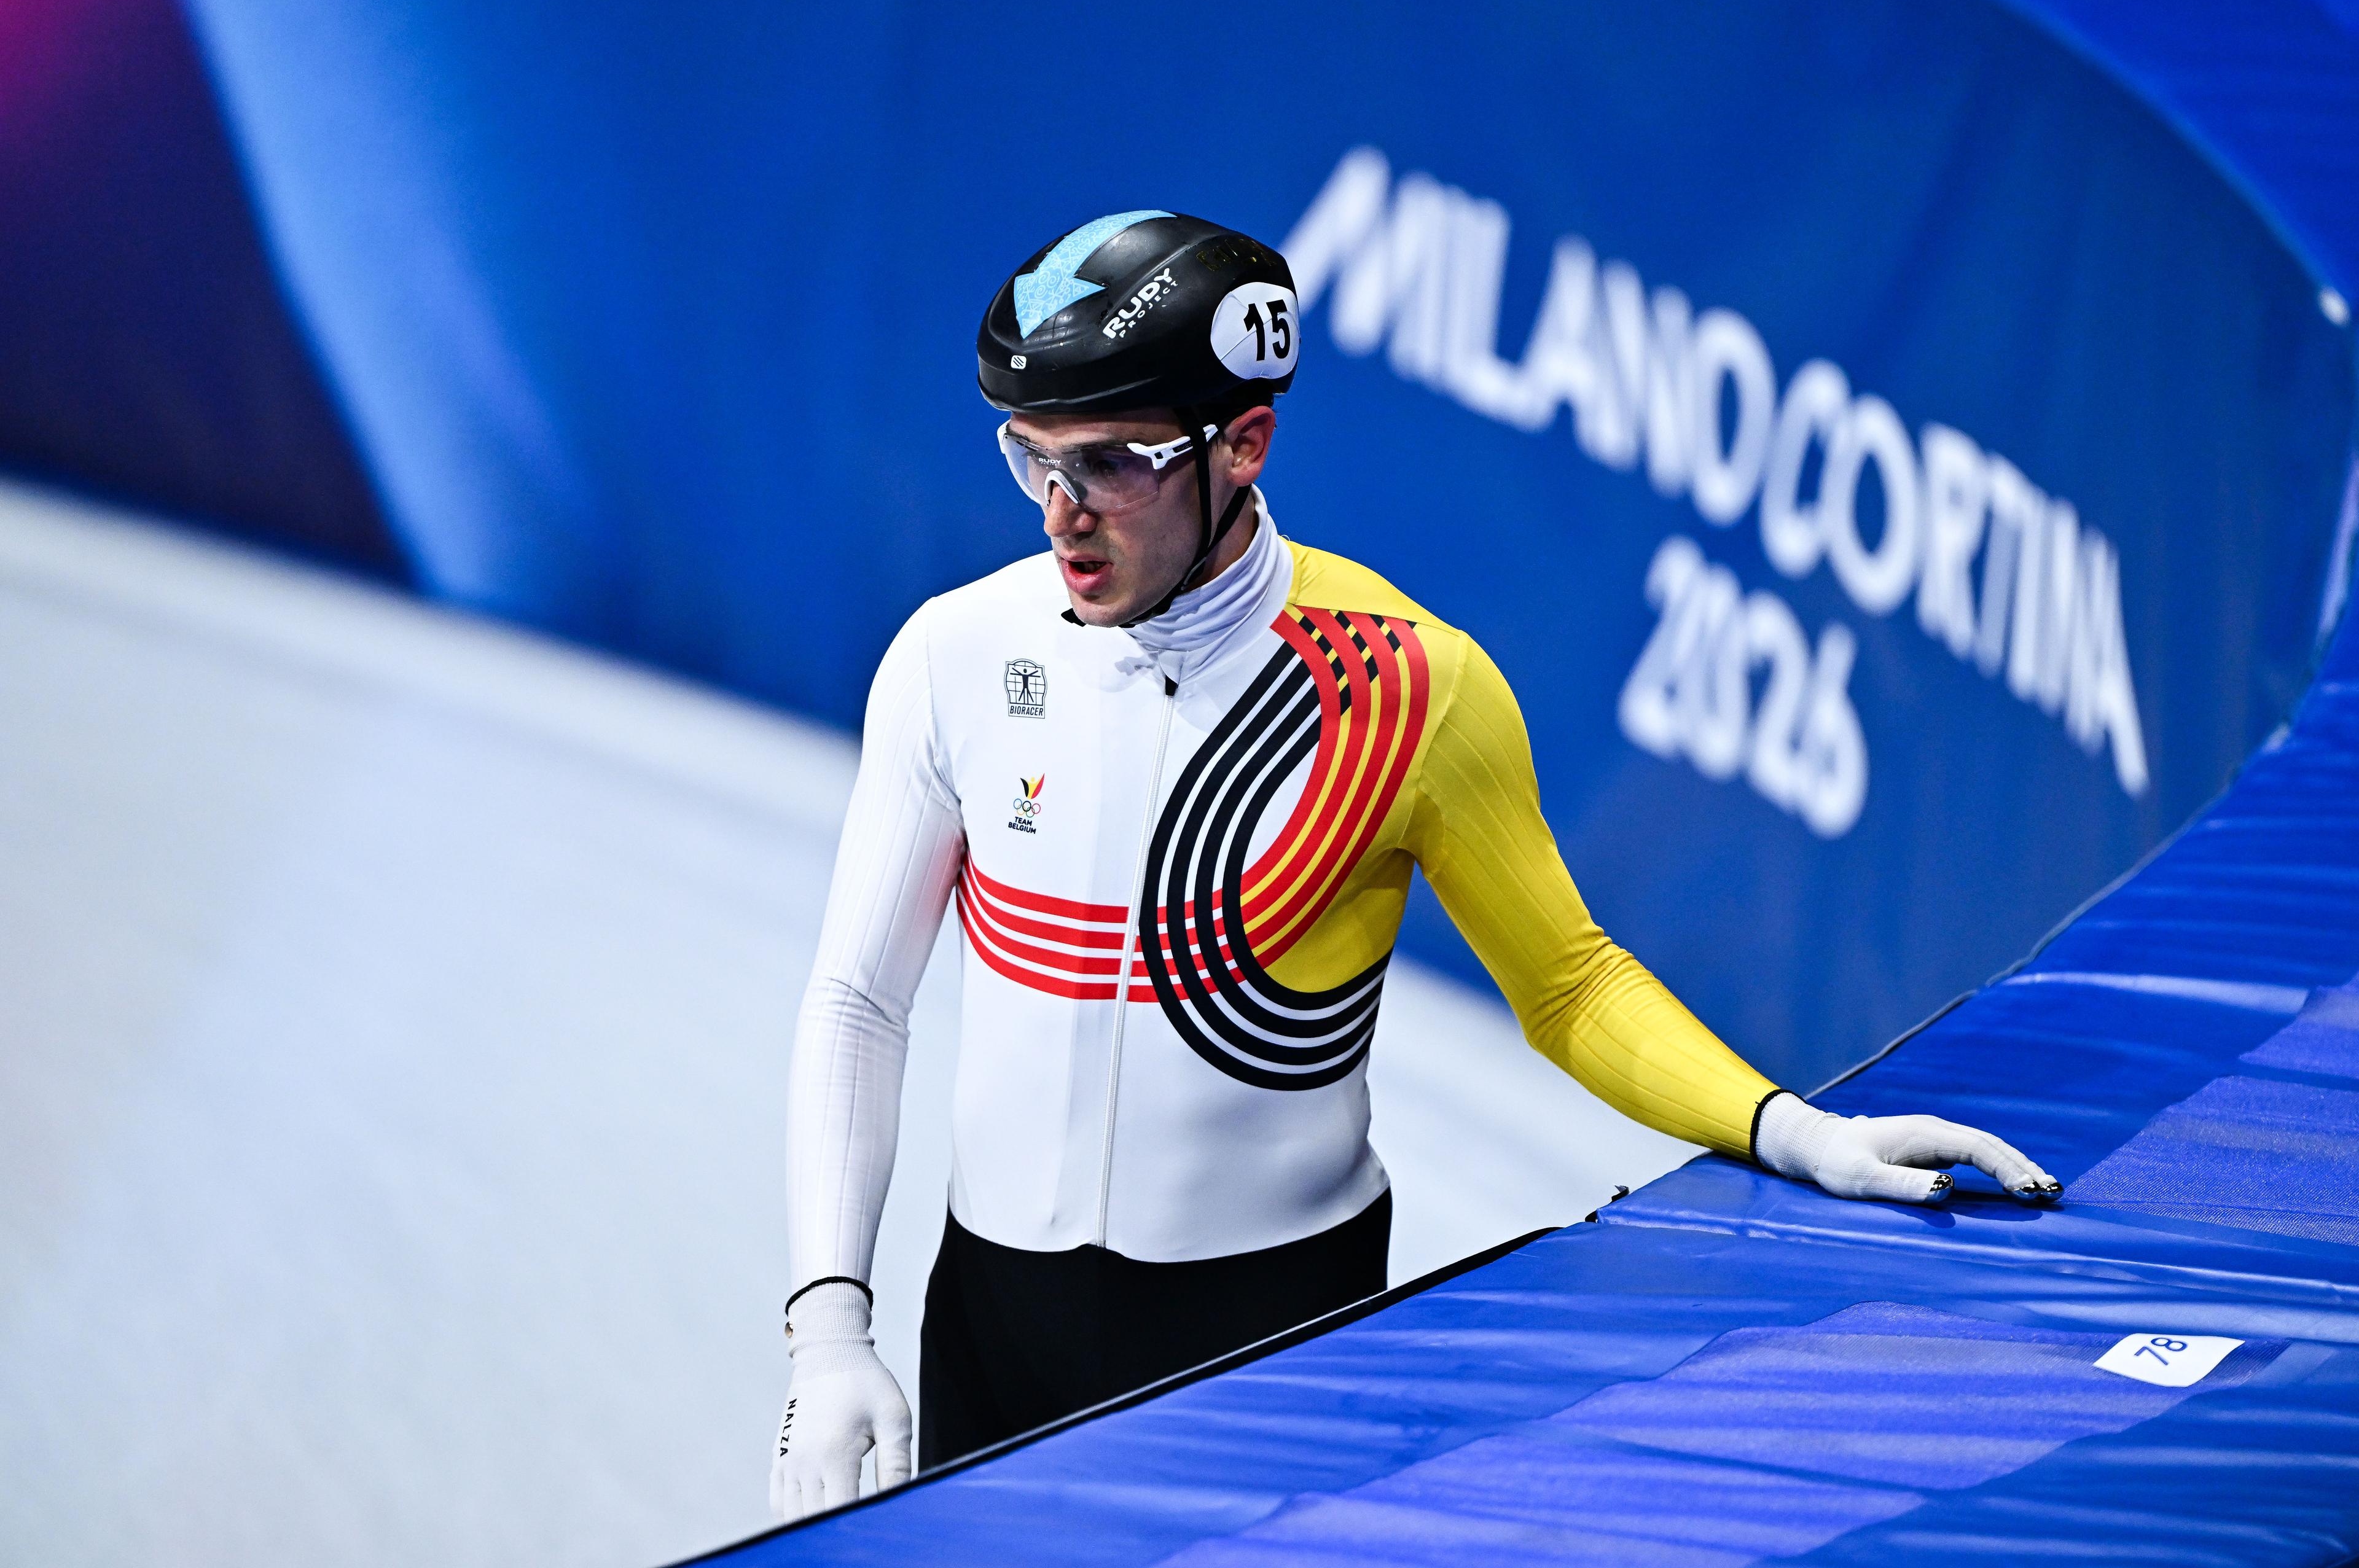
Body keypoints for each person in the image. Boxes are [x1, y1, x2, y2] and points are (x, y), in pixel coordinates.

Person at [767, 211, 2059, 1521]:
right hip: (995, 1318)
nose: (1063, 513)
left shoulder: (1412, 685)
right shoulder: (956, 653)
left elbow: (1571, 986)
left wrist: (1797, 1132)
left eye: (1112, 464)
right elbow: (860, 999)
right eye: (1032, 461)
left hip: (1270, 1334)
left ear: (1247, 442)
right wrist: (829, 1323)